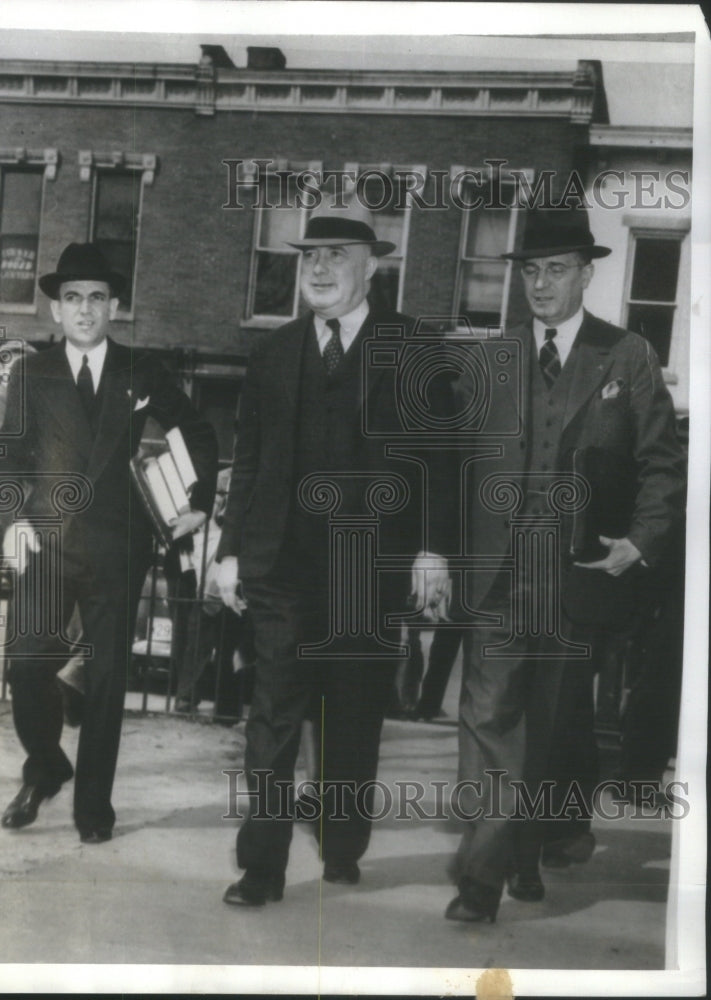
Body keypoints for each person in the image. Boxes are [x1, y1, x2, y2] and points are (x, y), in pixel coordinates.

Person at [445, 206, 685, 922]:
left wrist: (639, 540)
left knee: (547, 731)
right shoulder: (488, 359)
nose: (540, 284)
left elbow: (659, 463)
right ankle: (479, 882)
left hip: (575, 578)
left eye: (554, 270)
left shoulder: (626, 356)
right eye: (529, 271)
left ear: (586, 273)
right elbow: (453, 468)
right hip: (496, 575)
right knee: (488, 721)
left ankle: (521, 852)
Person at [216, 196, 452, 906]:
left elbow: (440, 459)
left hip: (368, 569)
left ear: (373, 266)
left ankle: (343, 840)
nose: (319, 268)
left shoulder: (413, 347)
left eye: (336, 256)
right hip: (283, 567)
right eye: (309, 256)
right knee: (273, 717)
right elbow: (250, 461)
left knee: (351, 715)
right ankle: (261, 865)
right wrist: (229, 552)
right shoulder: (272, 352)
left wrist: (432, 550)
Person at [0, 242, 217, 843]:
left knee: (109, 679)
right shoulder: (32, 372)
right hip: (45, 542)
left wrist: (196, 504)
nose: (84, 310)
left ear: (113, 306)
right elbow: (6, 453)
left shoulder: (141, 371)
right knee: (27, 664)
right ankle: (46, 766)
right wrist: (13, 520)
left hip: (118, 546)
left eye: (95, 298)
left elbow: (195, 428)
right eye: (71, 299)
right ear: (56, 311)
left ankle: (95, 809)